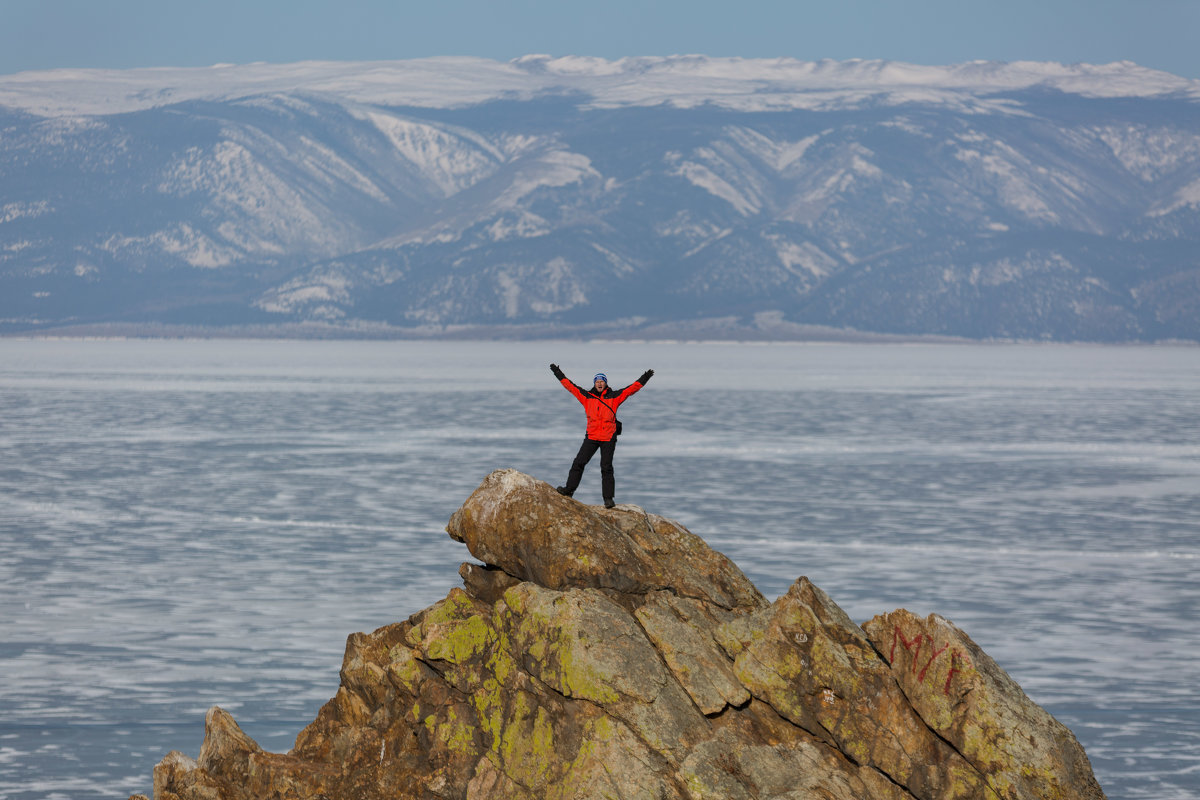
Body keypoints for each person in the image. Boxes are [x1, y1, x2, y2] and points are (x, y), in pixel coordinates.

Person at [550, 364, 653, 508]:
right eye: (597, 381)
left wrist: (645, 377)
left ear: (606, 383)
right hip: (592, 436)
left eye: (602, 381)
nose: (599, 383)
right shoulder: (587, 397)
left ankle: (608, 499)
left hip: (608, 437)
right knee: (578, 463)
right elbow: (570, 386)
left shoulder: (614, 397)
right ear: (594, 383)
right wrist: (557, 372)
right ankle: (569, 490)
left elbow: (631, 389)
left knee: (606, 467)